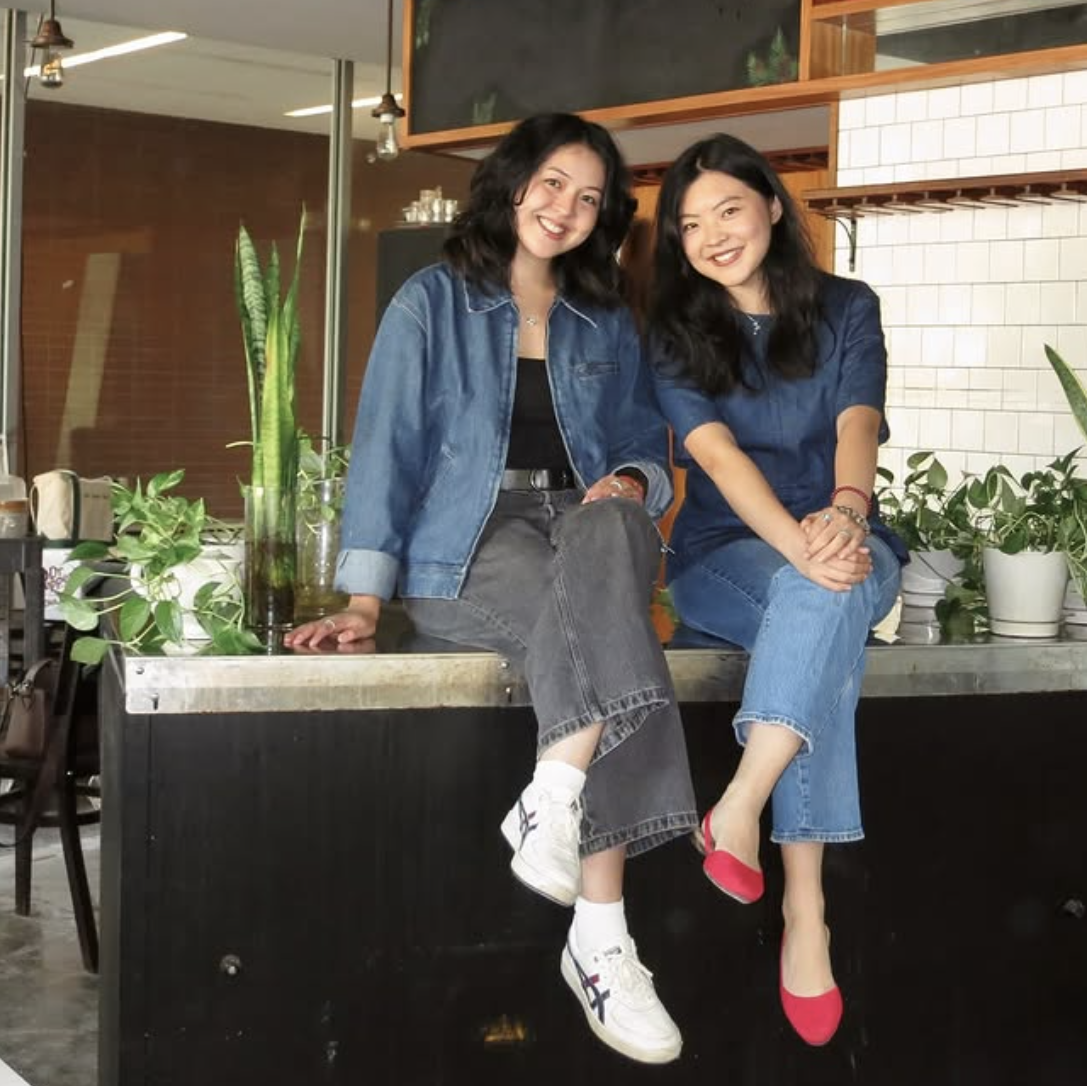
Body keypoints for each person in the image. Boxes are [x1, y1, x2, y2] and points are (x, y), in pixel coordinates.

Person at [285, 113, 695, 1066]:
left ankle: (556, 791)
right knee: (606, 634)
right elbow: (385, 449)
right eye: (552, 184)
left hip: (585, 527)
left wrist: (633, 480)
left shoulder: (606, 317)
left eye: (589, 198)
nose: (566, 209)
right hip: (470, 540)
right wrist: (364, 597)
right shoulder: (431, 302)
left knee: (608, 531)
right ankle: (602, 938)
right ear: (513, 185)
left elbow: (644, 440)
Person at [646, 133, 906, 1047]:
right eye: (690, 225)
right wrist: (802, 544)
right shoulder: (674, 335)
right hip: (725, 554)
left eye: (728, 209)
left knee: (824, 595)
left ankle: (739, 806)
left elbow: (858, 420)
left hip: (849, 537)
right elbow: (715, 456)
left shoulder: (847, 307)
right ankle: (806, 908)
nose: (712, 235)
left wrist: (846, 511)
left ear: (769, 205)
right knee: (822, 600)